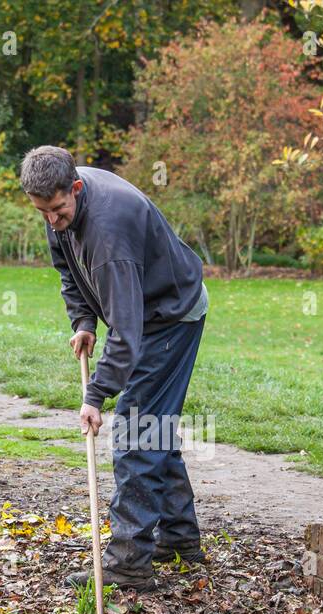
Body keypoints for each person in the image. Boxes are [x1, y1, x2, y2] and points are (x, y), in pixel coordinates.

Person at [20, 145, 209, 591]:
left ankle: (128, 561)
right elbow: (69, 270)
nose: (51, 220)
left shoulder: (108, 235)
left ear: (77, 188)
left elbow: (127, 331)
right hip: (147, 313)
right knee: (153, 425)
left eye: (58, 209)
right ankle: (179, 539)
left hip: (170, 315)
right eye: (42, 211)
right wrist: (83, 321)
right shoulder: (59, 205)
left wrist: (95, 395)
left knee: (136, 430)